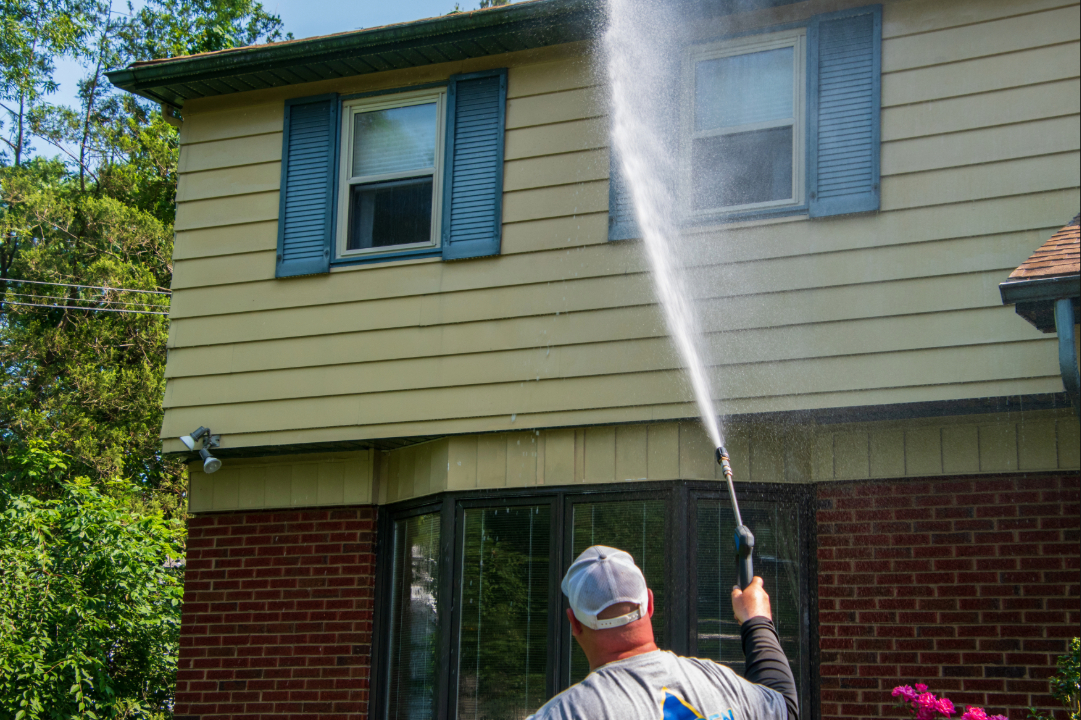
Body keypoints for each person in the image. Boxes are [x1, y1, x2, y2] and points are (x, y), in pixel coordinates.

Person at [527, 545, 799, 720]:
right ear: (650, 603)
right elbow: (784, 707)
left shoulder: (565, 713)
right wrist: (757, 620)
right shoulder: (719, 681)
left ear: (574, 623)